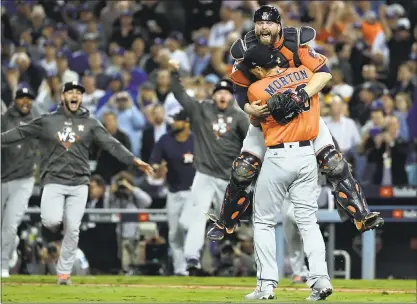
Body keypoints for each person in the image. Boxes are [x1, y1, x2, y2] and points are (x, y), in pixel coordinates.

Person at [207, 5, 383, 242]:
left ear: (279, 25)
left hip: (304, 115)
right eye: (260, 22)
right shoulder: (247, 49)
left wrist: (301, 96)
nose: (264, 27)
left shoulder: (295, 42)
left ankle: (361, 215)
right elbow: (239, 90)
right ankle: (226, 222)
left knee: (333, 162)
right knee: (243, 168)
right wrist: (250, 108)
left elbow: (325, 73)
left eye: (269, 22)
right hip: (268, 120)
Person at [1, 81, 153, 285]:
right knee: (51, 221)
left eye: (78, 93)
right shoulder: (47, 121)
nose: (75, 96)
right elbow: (21, 132)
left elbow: (111, 143)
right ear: (63, 96)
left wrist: (134, 160)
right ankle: (60, 223)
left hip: (79, 183)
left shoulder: (90, 122)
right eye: (70, 92)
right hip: (53, 181)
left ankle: (63, 274)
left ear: (81, 98)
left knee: (73, 229)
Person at [242, 44, 332, 301]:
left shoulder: (256, 88)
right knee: (308, 221)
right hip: (307, 155)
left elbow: (256, 120)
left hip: (279, 155)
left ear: (258, 68)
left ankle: (266, 285)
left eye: (254, 70)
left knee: (263, 221)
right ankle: (320, 280)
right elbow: (323, 73)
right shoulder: (305, 73)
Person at [168, 60, 249, 274]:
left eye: (227, 92)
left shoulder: (240, 117)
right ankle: (192, 257)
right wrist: (174, 72)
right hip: (205, 175)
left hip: (231, 180)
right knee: (197, 218)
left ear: (231, 96)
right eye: (219, 92)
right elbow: (181, 96)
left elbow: (253, 142)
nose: (223, 95)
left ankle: (259, 263)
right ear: (213, 95)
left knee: (245, 222)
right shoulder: (201, 110)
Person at [149, 109, 196, 276]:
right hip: (173, 191)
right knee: (174, 232)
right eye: (173, 120)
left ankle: (193, 261)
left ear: (186, 123)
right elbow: (154, 163)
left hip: (194, 192)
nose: (173, 123)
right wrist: (158, 169)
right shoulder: (165, 140)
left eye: (178, 120)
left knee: (187, 225)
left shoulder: (196, 141)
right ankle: (180, 269)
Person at [1, 88, 37, 278]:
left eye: (28, 99)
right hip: (3, 178)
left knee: (10, 223)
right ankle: (12, 243)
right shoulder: (5, 119)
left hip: (24, 179)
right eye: (22, 98)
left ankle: (3, 266)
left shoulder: (36, 120)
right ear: (15, 100)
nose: (25, 102)